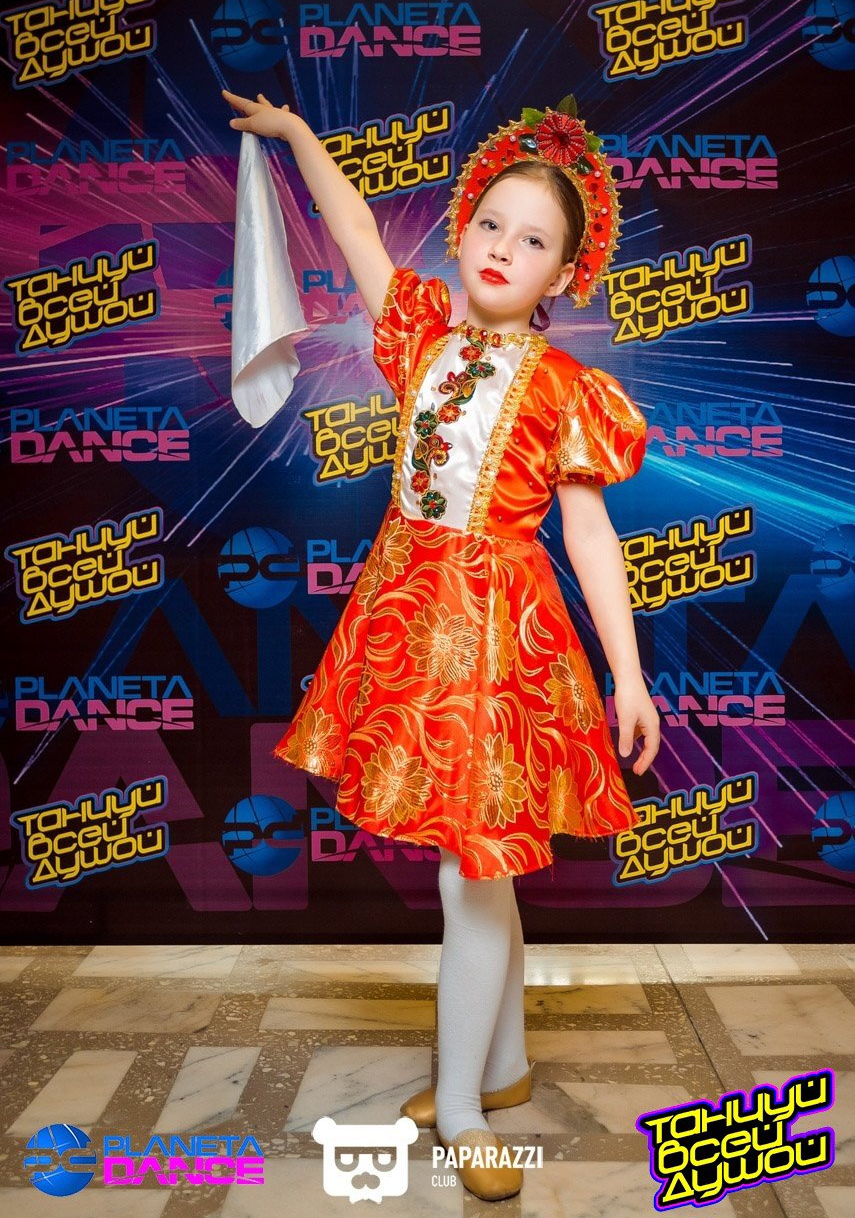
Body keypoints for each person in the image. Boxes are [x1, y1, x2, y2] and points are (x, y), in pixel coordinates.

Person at [223, 87, 660, 1201]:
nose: (504, 248)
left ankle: (462, 1104)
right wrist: (298, 136)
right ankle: (501, 1067)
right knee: (479, 866)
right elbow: (356, 230)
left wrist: (628, 673)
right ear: (463, 232)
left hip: (498, 648)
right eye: (490, 224)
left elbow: (588, 532)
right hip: (408, 619)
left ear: (564, 275)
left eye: (534, 240)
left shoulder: (566, 388)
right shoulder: (419, 330)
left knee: (476, 868)